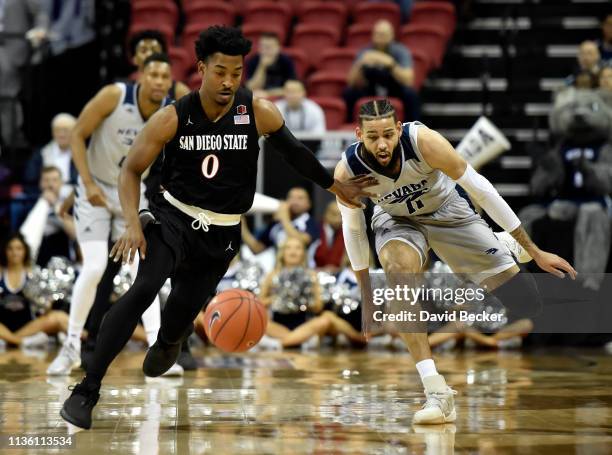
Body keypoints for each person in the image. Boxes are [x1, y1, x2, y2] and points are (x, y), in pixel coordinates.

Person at [59, 25, 375, 429]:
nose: (228, 81)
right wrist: (132, 222)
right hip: (171, 218)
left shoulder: (257, 111)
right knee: (143, 288)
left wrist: (335, 185)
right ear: (201, 68)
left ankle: (171, 340)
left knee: (178, 319)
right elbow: (130, 170)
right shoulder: (172, 117)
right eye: (220, 71)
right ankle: (87, 389)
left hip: (222, 234)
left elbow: (296, 154)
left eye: (236, 72)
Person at [336, 99, 576, 424]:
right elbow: (353, 230)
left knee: (526, 303)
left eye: (388, 135)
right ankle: (436, 392)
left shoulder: (425, 142)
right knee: (398, 277)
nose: (381, 144)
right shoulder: (349, 171)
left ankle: (503, 244)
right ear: (358, 134)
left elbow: (482, 190)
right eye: (373, 136)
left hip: (449, 212)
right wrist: (366, 293)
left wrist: (533, 250)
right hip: (397, 222)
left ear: (398, 129)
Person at [46, 53, 174, 376]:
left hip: (131, 193)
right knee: (94, 267)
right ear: (141, 77)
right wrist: (85, 183)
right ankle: (71, 345)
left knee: (141, 273)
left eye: (165, 76)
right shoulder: (115, 95)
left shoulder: (169, 111)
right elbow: (76, 133)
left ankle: (157, 349)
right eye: (154, 74)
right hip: (96, 190)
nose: (159, 81)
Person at [260, 237, 365, 348]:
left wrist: (302, 300)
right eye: (288, 248)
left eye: (298, 248)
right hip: (279, 326)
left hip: (304, 326)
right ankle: (297, 340)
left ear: (303, 253)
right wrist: (279, 299)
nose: (293, 251)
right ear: (282, 252)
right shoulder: (272, 275)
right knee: (261, 324)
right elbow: (259, 303)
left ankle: (283, 343)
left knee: (325, 320)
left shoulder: (311, 275)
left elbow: (318, 307)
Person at [0, 233, 70, 348]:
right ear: (4, 251)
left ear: (25, 251)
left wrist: (46, 302)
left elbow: (45, 309)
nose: (14, 253)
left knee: (59, 317)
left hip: (29, 327)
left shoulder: (34, 273)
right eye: (10, 248)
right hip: (3, 326)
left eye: (19, 248)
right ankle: (19, 342)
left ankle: (91, 338)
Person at [344, 20, 419, 122]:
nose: (380, 37)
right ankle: (350, 126)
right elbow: (351, 82)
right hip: (370, 89)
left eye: (383, 34)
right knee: (349, 93)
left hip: (394, 89)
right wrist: (360, 64)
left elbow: (409, 80)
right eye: (378, 34)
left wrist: (391, 63)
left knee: (410, 94)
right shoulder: (365, 52)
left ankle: (411, 127)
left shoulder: (401, 51)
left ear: (392, 35)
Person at [20, 166, 76, 266]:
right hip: (34, 259)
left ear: (61, 183)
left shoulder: (69, 206)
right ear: (40, 183)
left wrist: (55, 204)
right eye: (46, 180)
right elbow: (22, 235)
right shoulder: (28, 205)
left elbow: (74, 234)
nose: (50, 184)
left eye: (54, 180)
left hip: (62, 259)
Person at [241, 187, 320, 255]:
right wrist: (241, 223)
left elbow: (300, 242)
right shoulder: (276, 224)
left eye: (300, 198)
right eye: (291, 197)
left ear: (308, 204)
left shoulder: (311, 223)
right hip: (279, 270)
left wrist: (284, 218)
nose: (295, 201)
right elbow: (256, 249)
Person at [128, 29, 190, 102]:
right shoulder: (121, 90)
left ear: (163, 56)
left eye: (154, 50)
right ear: (134, 59)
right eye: (143, 51)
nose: (149, 54)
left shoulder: (179, 91)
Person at [23, 113, 78, 196]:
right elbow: (29, 181)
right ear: (52, 132)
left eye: (66, 130)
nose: (61, 134)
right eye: (58, 130)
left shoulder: (82, 154)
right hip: (44, 195)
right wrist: (43, 194)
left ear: (74, 132)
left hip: (73, 197)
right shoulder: (41, 153)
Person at [246, 32, 297, 98]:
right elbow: (250, 87)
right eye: (262, 47)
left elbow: (293, 87)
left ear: (278, 48)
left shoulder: (286, 61)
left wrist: (268, 93)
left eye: (269, 47)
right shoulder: (253, 60)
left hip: (281, 98)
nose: (265, 51)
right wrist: (262, 67)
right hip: (258, 97)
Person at [313, 201, 345, 273]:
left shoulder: (348, 234)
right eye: (334, 214)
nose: (338, 219)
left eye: (341, 216)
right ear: (326, 214)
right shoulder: (315, 230)